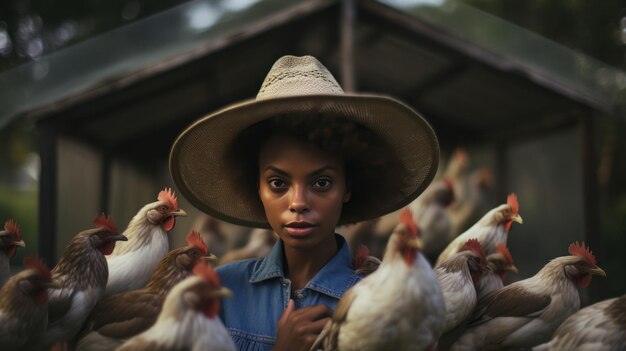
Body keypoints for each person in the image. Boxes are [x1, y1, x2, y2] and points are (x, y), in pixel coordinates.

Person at [169, 55, 439, 351]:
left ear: (348, 186)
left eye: (321, 183)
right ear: (255, 186)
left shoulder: (387, 303)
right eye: (278, 183)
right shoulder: (219, 291)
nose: (298, 202)